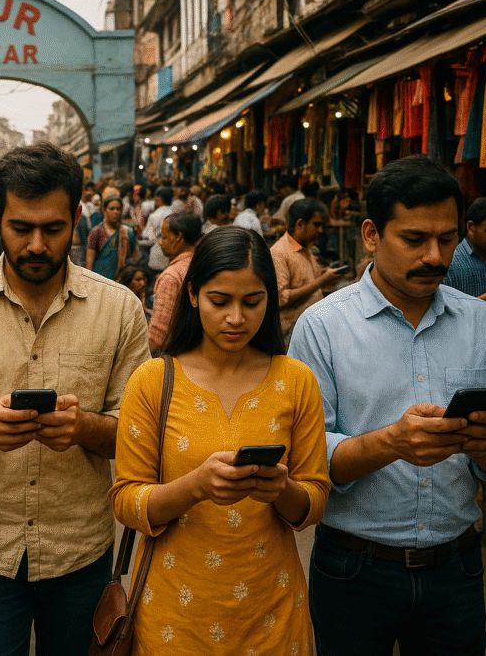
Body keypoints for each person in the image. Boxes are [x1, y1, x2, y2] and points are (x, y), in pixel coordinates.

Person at [288, 155, 486, 656]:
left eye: (446, 239)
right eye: (414, 240)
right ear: (371, 235)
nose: (435, 256)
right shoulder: (322, 327)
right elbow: (306, 459)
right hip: (353, 570)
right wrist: (389, 443)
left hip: (457, 570)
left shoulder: (485, 324)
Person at [0, 141, 150, 656]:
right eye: (21, 228)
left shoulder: (121, 311)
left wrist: (84, 428)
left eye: (53, 229)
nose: (36, 245)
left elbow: (138, 437)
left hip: (81, 555)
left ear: (77, 217)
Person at [110, 227, 329, 655]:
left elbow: (315, 500)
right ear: (192, 295)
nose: (236, 318)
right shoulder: (153, 381)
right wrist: (194, 487)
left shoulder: (296, 380)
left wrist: (281, 489)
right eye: (220, 301)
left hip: (273, 611)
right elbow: (126, 501)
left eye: (252, 302)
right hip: (173, 614)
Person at [270, 198, 344, 346]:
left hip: (312, 324)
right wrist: (321, 282)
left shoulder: (305, 250)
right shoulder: (279, 253)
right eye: (316, 225)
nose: (320, 230)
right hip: (292, 332)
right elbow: (281, 298)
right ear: (300, 224)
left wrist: (325, 274)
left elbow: (306, 279)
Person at [148, 212, 201, 353]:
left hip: (177, 353)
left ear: (179, 238)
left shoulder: (171, 276)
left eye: (164, 237)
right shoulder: (202, 264)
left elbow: (158, 335)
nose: (160, 242)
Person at [86, 195, 139, 280]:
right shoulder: (96, 232)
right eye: (112, 209)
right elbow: (89, 261)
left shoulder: (127, 232)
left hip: (120, 281)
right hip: (99, 281)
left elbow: (136, 258)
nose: (115, 212)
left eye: (118, 209)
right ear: (104, 210)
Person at [142, 187, 174, 276]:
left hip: (157, 257)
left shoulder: (155, 215)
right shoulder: (174, 213)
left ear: (159, 198)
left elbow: (148, 237)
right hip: (172, 255)